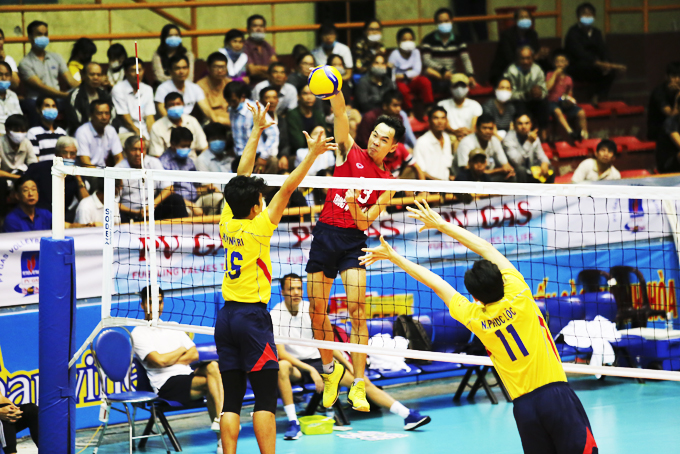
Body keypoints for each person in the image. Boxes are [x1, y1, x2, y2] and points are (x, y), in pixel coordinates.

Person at [361, 202, 599, 454]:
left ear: (476, 297)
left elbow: (436, 284)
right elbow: (485, 248)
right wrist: (442, 225)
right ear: (501, 279)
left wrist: (394, 257)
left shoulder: (475, 317)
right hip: (556, 396)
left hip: (524, 408)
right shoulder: (519, 294)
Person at [215, 101, 337, 454]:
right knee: (266, 398)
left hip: (226, 317)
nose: (263, 198)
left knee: (231, 401)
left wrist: (255, 132)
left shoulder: (228, 220)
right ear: (256, 206)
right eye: (259, 197)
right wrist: (313, 155)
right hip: (252, 319)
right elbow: (286, 188)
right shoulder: (258, 228)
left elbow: (241, 175)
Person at [306, 90, 402, 413]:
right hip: (325, 236)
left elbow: (365, 222)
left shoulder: (386, 183)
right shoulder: (349, 151)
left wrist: (351, 205)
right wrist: (335, 90)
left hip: (352, 242)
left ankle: (358, 383)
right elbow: (340, 113)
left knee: (357, 309)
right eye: (375, 135)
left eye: (383, 139)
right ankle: (330, 370)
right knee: (317, 310)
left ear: (392, 147)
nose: (376, 141)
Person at [272, 273, 431, 440]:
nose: (296, 292)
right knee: (281, 366)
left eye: (299, 288)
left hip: (321, 361)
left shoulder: (311, 308)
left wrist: (347, 364)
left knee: (361, 381)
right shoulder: (275, 315)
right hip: (297, 366)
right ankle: (293, 423)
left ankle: (407, 415)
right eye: (291, 289)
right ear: (282, 291)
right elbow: (281, 353)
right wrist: (310, 370)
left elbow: (325, 343)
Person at [131, 287, 224, 454]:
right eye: (151, 302)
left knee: (213, 367)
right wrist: (181, 349)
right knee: (213, 383)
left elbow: (194, 354)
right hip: (166, 385)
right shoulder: (138, 333)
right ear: (142, 305)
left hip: (187, 376)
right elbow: (158, 361)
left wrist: (169, 359)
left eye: (159, 301)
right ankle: (223, 433)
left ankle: (219, 421)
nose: (155, 306)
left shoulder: (173, 326)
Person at [18, 21, 79, 126]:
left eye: (45, 34)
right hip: (36, 100)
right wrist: (65, 95)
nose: (43, 37)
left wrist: (83, 88)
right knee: (33, 106)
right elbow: (41, 87)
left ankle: (73, 133)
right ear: (30, 37)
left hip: (58, 99)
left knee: (79, 101)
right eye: (39, 34)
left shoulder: (56, 57)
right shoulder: (25, 63)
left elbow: (70, 80)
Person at [565, 2, 626, 105]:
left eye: (590, 14)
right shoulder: (573, 32)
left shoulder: (596, 32)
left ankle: (598, 96)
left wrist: (606, 62)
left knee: (610, 72)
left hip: (595, 66)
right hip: (577, 67)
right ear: (578, 16)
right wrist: (598, 63)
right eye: (584, 14)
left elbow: (603, 49)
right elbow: (579, 53)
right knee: (585, 65)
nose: (587, 16)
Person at [115, 135, 185, 222]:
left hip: (153, 209)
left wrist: (152, 205)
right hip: (129, 213)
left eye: (141, 150)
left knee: (176, 199)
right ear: (126, 151)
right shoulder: (118, 170)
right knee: (116, 213)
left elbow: (168, 187)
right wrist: (136, 212)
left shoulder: (154, 162)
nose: (137, 154)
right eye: (133, 150)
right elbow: (114, 202)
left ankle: (183, 231)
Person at [159, 127, 221, 216]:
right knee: (184, 209)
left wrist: (208, 189)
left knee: (217, 198)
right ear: (172, 144)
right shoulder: (163, 163)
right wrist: (191, 206)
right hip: (179, 204)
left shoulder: (189, 161)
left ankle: (211, 226)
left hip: (195, 200)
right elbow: (167, 193)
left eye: (188, 146)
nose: (186, 149)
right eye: (183, 146)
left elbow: (195, 187)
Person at [24, 136, 89, 217]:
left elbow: (87, 203)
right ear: (57, 154)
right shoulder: (38, 168)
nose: (68, 157)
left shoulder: (77, 174)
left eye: (72, 153)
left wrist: (79, 179)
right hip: (38, 215)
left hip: (61, 215)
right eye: (64, 153)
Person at [421, 8, 476, 95]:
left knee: (461, 85)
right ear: (436, 23)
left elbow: (465, 59)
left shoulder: (459, 40)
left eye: (446, 21)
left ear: (451, 21)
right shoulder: (428, 40)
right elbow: (426, 60)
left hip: (451, 75)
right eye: (441, 22)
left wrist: (470, 75)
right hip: (435, 76)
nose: (444, 24)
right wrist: (443, 71)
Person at [489, 8, 550, 85]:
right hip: (508, 69)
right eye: (522, 17)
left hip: (529, 68)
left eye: (527, 17)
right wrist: (534, 57)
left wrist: (542, 54)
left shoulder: (532, 34)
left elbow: (536, 52)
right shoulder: (507, 35)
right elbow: (509, 58)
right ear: (515, 20)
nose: (525, 19)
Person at [455, 113, 515, 181]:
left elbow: (506, 165)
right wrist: (498, 170)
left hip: (486, 177)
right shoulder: (466, 143)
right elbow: (468, 170)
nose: (487, 131)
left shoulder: (494, 140)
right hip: (467, 179)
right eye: (484, 128)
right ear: (476, 128)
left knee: (511, 176)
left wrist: (509, 171)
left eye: (490, 128)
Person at [504, 46, 549, 135]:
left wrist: (540, 93)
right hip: (518, 102)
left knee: (544, 102)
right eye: (522, 59)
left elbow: (545, 90)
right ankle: (524, 135)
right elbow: (509, 94)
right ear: (518, 59)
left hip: (534, 101)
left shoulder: (537, 70)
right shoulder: (511, 71)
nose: (525, 62)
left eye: (528, 58)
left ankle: (544, 134)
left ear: (532, 58)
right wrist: (526, 94)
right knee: (519, 106)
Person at [155, 55, 214, 121]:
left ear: (189, 69)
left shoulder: (194, 87)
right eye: (177, 68)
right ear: (170, 71)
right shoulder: (162, 89)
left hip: (190, 123)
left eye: (184, 68)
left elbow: (206, 110)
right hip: (170, 123)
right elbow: (163, 114)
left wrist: (215, 120)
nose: (181, 72)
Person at [149, 92, 208, 157]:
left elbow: (204, 147)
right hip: (168, 165)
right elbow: (157, 155)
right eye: (171, 105)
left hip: (193, 162)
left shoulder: (192, 121)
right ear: (165, 107)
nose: (175, 107)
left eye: (178, 104)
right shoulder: (157, 127)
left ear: (183, 104)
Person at [546, 50, 588, 141]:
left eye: (562, 61)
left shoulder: (568, 79)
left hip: (563, 102)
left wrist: (569, 100)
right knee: (557, 111)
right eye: (557, 61)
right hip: (551, 102)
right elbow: (547, 88)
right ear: (554, 63)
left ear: (567, 63)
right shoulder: (550, 74)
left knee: (581, 112)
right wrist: (555, 75)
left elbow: (570, 93)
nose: (560, 64)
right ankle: (570, 132)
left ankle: (584, 134)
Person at [389, 27, 433, 111]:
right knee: (402, 88)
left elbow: (417, 71)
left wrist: (403, 75)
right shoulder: (394, 55)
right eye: (404, 40)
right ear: (398, 42)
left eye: (410, 39)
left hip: (413, 82)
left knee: (425, 81)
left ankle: (429, 108)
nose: (408, 42)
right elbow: (392, 75)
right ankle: (409, 111)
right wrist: (405, 75)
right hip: (400, 84)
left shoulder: (416, 52)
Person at [111, 57, 156, 139]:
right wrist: (140, 136)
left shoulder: (148, 89)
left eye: (140, 70)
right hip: (126, 132)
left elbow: (149, 117)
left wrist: (153, 137)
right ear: (126, 72)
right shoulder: (118, 89)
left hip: (145, 131)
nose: (137, 74)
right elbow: (126, 120)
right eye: (133, 70)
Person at [503, 114, 553, 183]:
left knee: (550, 168)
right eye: (520, 124)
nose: (524, 126)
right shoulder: (508, 139)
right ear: (514, 126)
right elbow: (517, 162)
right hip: (515, 172)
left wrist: (544, 163)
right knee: (521, 170)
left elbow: (542, 155)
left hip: (531, 170)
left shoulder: (533, 137)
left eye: (527, 123)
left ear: (531, 125)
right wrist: (528, 142)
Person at [65, 62, 113, 135]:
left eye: (99, 75)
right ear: (83, 75)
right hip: (81, 134)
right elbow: (75, 123)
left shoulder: (105, 94)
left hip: (104, 132)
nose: (96, 78)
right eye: (92, 74)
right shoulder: (75, 96)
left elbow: (113, 116)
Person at [75, 100, 123, 167]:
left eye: (107, 113)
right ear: (91, 115)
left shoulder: (111, 130)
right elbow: (85, 163)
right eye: (100, 113)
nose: (104, 117)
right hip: (87, 173)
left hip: (103, 173)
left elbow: (119, 158)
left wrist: (117, 173)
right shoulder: (82, 132)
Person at [437, 73, 482, 143]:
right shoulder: (442, 105)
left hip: (470, 137)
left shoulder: (475, 105)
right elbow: (444, 124)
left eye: (462, 86)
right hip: (449, 138)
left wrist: (466, 134)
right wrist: (455, 132)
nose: (459, 89)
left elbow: (475, 126)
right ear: (450, 88)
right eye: (456, 86)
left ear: (468, 88)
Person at [413, 106, 454, 181]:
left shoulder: (447, 138)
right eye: (436, 118)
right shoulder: (422, 142)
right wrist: (438, 181)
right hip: (430, 186)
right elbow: (420, 171)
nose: (440, 121)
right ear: (429, 121)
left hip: (446, 185)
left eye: (443, 118)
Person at [286, 84, 327, 153]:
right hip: (297, 153)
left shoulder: (318, 114)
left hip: (319, 151)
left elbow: (326, 136)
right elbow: (298, 143)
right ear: (298, 96)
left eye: (312, 94)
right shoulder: (292, 115)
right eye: (305, 94)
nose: (309, 97)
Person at [27, 95, 66, 161]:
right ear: (38, 110)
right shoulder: (33, 132)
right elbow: (34, 159)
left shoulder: (62, 132)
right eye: (47, 106)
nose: (51, 109)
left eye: (53, 106)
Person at [648, 61, 680, 141]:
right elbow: (672, 116)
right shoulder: (659, 92)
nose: (677, 80)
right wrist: (678, 98)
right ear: (667, 77)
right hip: (660, 132)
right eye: (674, 76)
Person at [198, 52, 231, 126]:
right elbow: (211, 117)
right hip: (211, 124)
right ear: (208, 68)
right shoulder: (200, 86)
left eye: (223, 67)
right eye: (216, 67)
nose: (220, 71)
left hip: (232, 121)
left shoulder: (229, 83)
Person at [244, 14, 278, 85]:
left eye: (261, 26)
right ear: (248, 29)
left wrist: (260, 69)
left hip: (270, 84)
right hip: (252, 86)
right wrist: (270, 71)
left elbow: (276, 68)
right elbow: (252, 71)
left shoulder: (267, 46)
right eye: (255, 26)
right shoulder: (244, 46)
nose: (258, 29)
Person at [255, 86, 283, 174]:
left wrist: (284, 156)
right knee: (273, 161)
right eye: (267, 98)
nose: (271, 101)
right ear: (261, 101)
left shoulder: (282, 120)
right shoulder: (256, 119)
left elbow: (286, 142)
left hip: (276, 155)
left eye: (274, 97)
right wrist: (262, 157)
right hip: (258, 154)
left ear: (278, 100)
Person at [0, 115, 36, 179]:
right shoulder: (1, 143)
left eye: (23, 131)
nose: (20, 134)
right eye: (16, 130)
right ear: (7, 130)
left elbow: (33, 164)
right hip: (4, 178)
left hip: (21, 174)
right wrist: (18, 177)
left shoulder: (26, 142)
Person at [225, 81, 254, 157]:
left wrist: (263, 156)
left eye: (234, 101)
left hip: (256, 155)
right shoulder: (232, 110)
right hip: (240, 155)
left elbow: (272, 133)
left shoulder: (255, 110)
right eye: (228, 101)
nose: (231, 104)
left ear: (242, 97)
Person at [0, 61, 22, 134]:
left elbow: (19, 119)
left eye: (7, 75)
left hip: (13, 134)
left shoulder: (13, 95)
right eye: (0, 74)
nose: (4, 78)